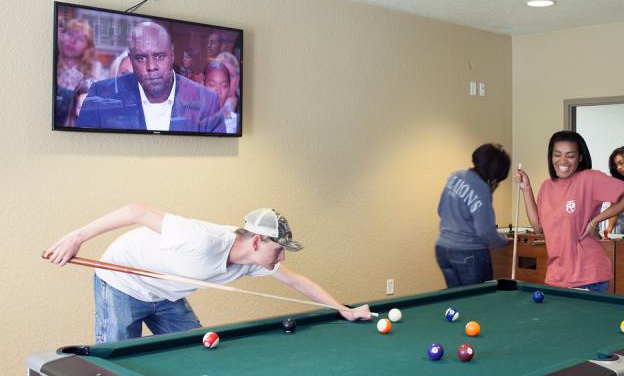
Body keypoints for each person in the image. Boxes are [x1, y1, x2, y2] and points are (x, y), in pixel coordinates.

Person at [44, 204, 373, 343]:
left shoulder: (252, 261)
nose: (281, 256)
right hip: (122, 283)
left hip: (167, 294)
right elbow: (135, 211)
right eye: (279, 247)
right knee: (109, 365)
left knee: (200, 350)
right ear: (257, 240)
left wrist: (342, 309)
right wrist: (76, 237)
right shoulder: (202, 239)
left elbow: (296, 281)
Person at [516, 131, 624, 292]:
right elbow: (539, 228)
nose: (563, 161)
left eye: (570, 155)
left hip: (588, 277)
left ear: (580, 157)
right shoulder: (546, 187)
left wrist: (596, 220)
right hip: (556, 277)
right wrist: (527, 189)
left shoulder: (589, 179)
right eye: (557, 155)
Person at [76, 22, 225, 133]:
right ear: (131, 59)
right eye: (140, 58)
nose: (151, 66)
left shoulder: (207, 101)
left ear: (172, 55)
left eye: (159, 56)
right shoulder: (100, 95)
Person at [435, 143, 511, 288]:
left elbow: (440, 210)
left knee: (457, 300)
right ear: (495, 175)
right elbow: (485, 232)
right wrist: (503, 241)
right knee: (479, 302)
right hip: (469, 254)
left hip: (442, 250)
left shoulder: (455, 175)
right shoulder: (482, 189)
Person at [56, 19, 96, 90]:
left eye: (80, 39)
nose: (73, 41)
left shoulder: (93, 76)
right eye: (70, 34)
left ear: (87, 47)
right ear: (61, 36)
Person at [203, 60, 238, 134]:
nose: (218, 91)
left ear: (229, 88)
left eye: (224, 86)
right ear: (203, 84)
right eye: (212, 85)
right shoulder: (191, 119)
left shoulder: (237, 122)